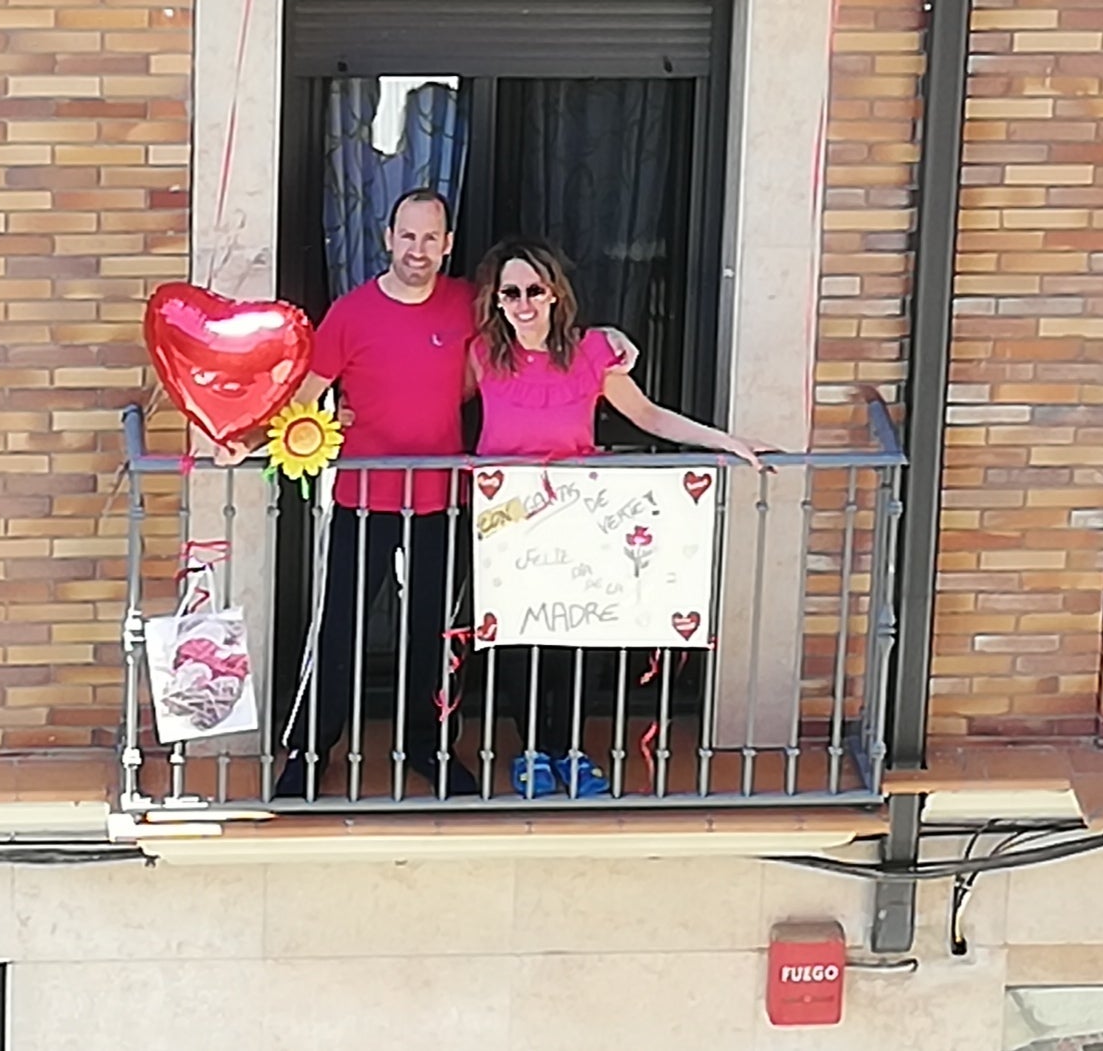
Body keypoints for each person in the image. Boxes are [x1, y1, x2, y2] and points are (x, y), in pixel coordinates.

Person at [216, 191, 636, 799]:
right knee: (338, 629)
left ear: (447, 243)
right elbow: (305, 397)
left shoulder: (470, 303)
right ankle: (308, 753)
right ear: (388, 237)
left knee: (432, 636)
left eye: (431, 238)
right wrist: (248, 440)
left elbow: (536, 338)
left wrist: (616, 337)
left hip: (443, 502)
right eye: (408, 237)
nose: (419, 250)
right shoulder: (351, 314)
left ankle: (429, 749)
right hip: (364, 500)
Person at [470, 239, 768, 798]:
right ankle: (533, 748)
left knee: (580, 635)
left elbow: (649, 415)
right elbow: (428, 405)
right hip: (506, 522)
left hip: (580, 516)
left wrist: (723, 440)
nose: (524, 303)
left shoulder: (591, 354)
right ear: (498, 301)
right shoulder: (482, 354)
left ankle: (569, 748)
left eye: (535, 289)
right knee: (516, 637)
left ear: (555, 293)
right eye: (511, 292)